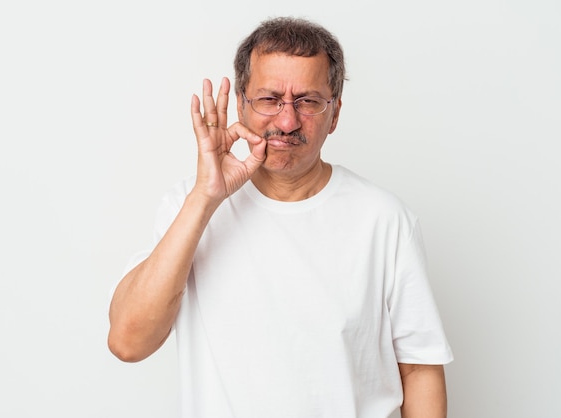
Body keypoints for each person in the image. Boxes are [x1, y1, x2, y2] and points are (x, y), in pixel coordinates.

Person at [108, 16, 453, 418]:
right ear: (241, 104)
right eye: (270, 99)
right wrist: (205, 198)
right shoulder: (189, 206)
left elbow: (419, 369)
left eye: (308, 101)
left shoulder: (385, 221)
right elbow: (128, 342)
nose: (287, 122)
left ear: (335, 113)